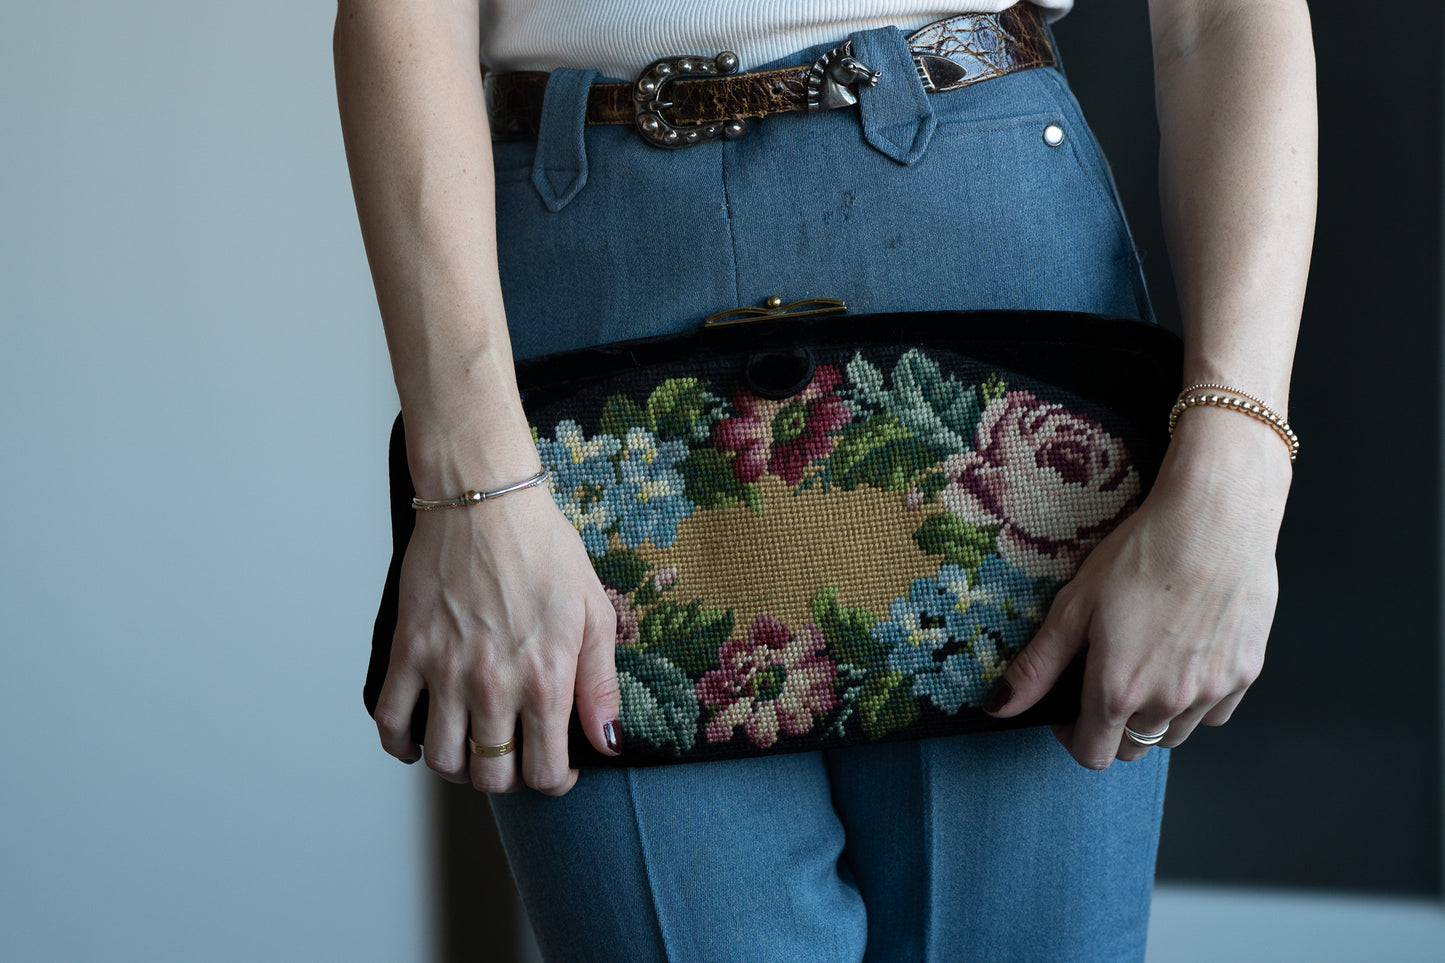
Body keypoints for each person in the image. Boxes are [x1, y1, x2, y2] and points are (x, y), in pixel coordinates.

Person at [334, 0, 1316, 959]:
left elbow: (1222, 16)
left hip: (988, 263)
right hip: (591, 295)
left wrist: (1235, 480)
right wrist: (472, 487)